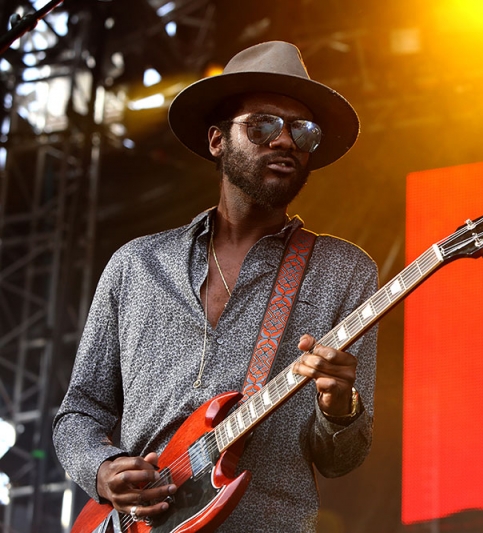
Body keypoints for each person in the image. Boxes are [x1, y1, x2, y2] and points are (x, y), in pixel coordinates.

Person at [53, 41, 378, 532]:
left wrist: (339, 406)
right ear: (217, 140)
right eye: (263, 125)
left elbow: (340, 460)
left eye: (303, 131)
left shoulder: (346, 271)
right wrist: (101, 470)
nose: (285, 141)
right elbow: (82, 409)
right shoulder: (136, 265)